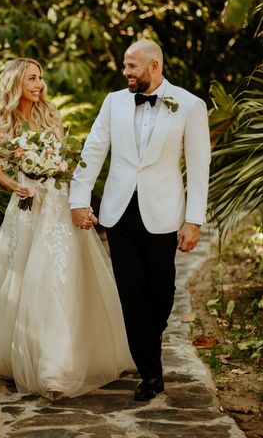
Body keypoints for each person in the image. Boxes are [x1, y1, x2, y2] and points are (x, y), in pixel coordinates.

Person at [0, 57, 134, 400]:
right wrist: (16, 186)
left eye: (40, 77)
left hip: (57, 203)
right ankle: (26, 358)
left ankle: (53, 367)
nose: (39, 84)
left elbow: (66, 164)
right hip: (27, 206)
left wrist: (79, 203)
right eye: (31, 78)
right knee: (23, 280)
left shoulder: (51, 115)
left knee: (57, 279)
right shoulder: (1, 125)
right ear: (15, 83)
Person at [69, 39, 211, 401]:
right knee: (131, 293)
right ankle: (150, 373)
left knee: (161, 294)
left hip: (163, 213)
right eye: (125, 66)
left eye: (132, 66)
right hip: (119, 212)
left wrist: (193, 219)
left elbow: (199, 167)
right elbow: (93, 149)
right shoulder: (113, 102)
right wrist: (78, 199)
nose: (126, 72)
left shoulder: (190, 106)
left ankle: (150, 341)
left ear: (154, 66)